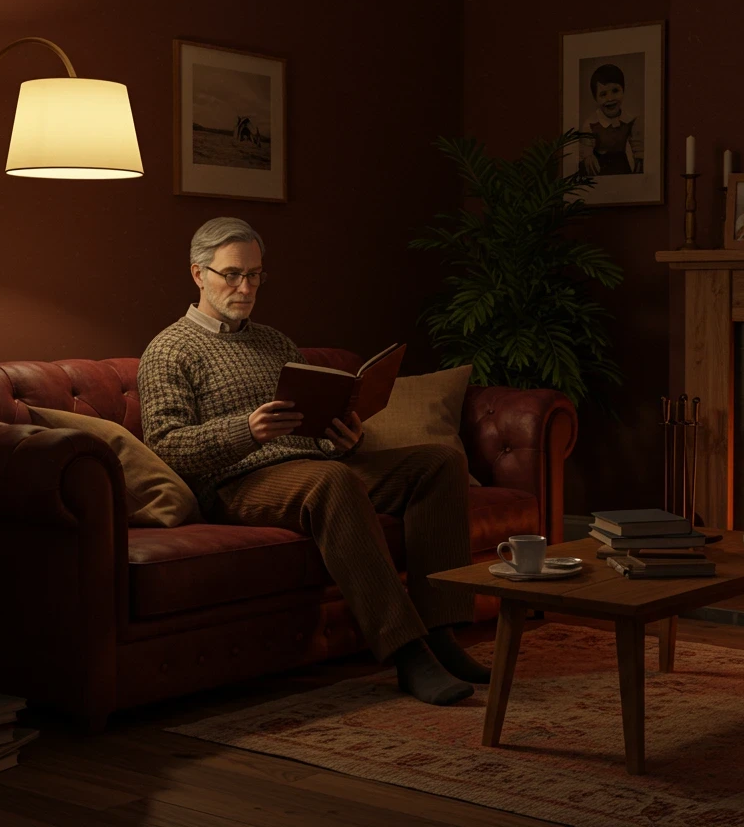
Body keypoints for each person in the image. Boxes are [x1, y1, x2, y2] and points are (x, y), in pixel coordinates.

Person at [138, 218, 489, 707]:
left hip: (310, 466)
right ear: (198, 273)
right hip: (237, 482)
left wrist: (342, 436)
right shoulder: (169, 350)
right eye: (232, 275)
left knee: (437, 463)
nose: (246, 287)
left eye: (256, 275)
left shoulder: (276, 342)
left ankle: (442, 632)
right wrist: (247, 430)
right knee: (332, 480)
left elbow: (309, 424)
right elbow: (167, 445)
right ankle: (408, 653)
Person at [578, 63, 642, 176]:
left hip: (621, 166)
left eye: (615, 91)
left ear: (623, 90)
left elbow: (637, 146)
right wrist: (588, 156)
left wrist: (640, 161)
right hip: (598, 168)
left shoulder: (630, 121)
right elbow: (585, 147)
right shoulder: (591, 124)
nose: (610, 98)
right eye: (603, 94)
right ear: (596, 98)